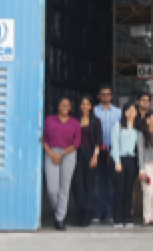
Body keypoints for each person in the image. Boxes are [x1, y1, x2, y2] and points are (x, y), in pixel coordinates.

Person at [43, 97, 81, 230]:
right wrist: (52, 154)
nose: (65, 106)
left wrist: (62, 154)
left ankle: (60, 218)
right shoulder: (49, 119)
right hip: (51, 153)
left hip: (68, 154)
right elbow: (43, 139)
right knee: (52, 190)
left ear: (70, 108)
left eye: (67, 104)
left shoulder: (75, 122)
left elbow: (76, 142)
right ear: (58, 106)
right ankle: (57, 210)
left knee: (64, 188)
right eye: (62, 104)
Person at [71, 96, 103, 227]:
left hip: (90, 153)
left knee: (89, 185)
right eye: (82, 103)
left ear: (91, 106)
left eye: (87, 104)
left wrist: (95, 156)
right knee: (78, 185)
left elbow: (98, 140)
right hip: (76, 153)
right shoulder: (75, 120)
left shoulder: (95, 121)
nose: (85, 106)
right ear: (80, 106)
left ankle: (88, 215)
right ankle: (79, 213)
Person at [93, 84, 121, 223]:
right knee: (97, 183)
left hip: (113, 152)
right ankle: (97, 213)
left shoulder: (118, 112)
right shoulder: (93, 111)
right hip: (98, 152)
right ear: (98, 96)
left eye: (107, 94)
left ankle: (109, 212)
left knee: (111, 184)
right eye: (102, 94)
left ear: (111, 96)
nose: (105, 96)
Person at [112, 103, 140, 228]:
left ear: (136, 113)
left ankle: (127, 218)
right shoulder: (118, 126)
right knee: (119, 190)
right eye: (128, 110)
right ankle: (117, 218)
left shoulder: (138, 128)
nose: (131, 113)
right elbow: (114, 145)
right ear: (124, 112)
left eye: (133, 110)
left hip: (132, 161)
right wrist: (117, 161)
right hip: (121, 160)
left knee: (129, 190)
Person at [133, 93, 153, 219]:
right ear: (138, 101)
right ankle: (132, 210)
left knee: (149, 186)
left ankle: (147, 213)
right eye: (142, 100)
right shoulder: (132, 115)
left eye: (147, 100)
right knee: (132, 185)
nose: (145, 102)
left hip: (148, 156)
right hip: (132, 154)